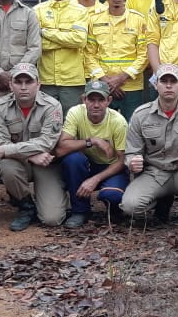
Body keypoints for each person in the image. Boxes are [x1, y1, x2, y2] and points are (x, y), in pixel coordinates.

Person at [121, 63, 178, 239]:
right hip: (155, 172)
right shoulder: (140, 114)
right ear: (155, 85)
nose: (168, 86)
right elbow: (132, 151)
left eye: (173, 82)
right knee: (131, 206)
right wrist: (132, 162)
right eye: (164, 81)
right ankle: (163, 200)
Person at [0, 63, 65, 231]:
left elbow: (47, 142)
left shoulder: (52, 106)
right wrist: (30, 155)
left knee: (52, 219)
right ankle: (26, 206)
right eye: (18, 82)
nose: (23, 87)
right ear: (10, 85)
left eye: (29, 82)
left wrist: (8, 150)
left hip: (45, 164)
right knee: (7, 167)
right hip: (21, 162)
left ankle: (58, 197)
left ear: (38, 84)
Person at [55, 80, 129, 228]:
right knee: (73, 160)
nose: (96, 105)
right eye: (91, 99)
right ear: (84, 99)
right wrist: (92, 141)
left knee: (112, 195)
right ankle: (80, 211)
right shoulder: (75, 113)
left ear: (109, 101)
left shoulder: (119, 122)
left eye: (101, 100)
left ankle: (114, 209)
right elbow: (60, 149)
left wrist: (96, 179)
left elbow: (122, 161)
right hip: (87, 164)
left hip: (111, 167)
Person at [86, 0, 149, 121]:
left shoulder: (138, 20)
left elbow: (144, 54)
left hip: (131, 86)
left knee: (132, 127)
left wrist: (121, 78)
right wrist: (105, 80)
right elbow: (88, 54)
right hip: (102, 86)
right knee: (101, 127)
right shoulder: (94, 20)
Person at [35, 0, 89, 113]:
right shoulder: (37, 11)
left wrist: (45, 32)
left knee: (71, 122)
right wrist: (66, 40)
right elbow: (36, 44)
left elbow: (79, 40)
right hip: (45, 80)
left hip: (72, 81)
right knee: (44, 120)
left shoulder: (80, 11)